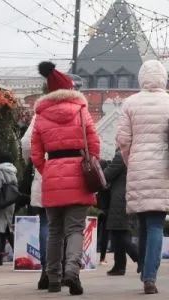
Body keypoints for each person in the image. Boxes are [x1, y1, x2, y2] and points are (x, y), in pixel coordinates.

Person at [31, 61, 100, 295]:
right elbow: (94, 144)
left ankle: (52, 278)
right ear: (71, 89)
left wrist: (47, 170)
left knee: (54, 231)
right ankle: (72, 271)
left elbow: (35, 154)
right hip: (79, 175)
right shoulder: (81, 111)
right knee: (75, 229)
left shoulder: (40, 116)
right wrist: (90, 164)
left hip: (52, 173)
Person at [118, 59, 169, 294]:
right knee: (156, 224)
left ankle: (145, 271)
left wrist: (131, 161)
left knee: (143, 223)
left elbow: (123, 140)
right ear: (163, 78)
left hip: (138, 167)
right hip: (165, 168)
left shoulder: (130, 103)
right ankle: (150, 276)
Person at [21, 116, 49, 289]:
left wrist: (33, 163)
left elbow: (26, 142)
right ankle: (69, 269)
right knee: (71, 227)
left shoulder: (41, 113)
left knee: (46, 223)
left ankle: (48, 270)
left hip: (45, 174)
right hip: (72, 175)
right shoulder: (80, 111)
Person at [103, 148, 139, 276]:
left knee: (120, 234)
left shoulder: (121, 156)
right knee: (118, 232)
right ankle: (119, 266)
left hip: (119, 198)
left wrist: (102, 166)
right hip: (128, 196)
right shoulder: (133, 154)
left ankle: (139, 258)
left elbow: (107, 174)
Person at [0, 153, 17, 266]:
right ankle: (18, 252)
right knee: (8, 229)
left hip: (0, 203)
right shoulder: (12, 170)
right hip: (10, 203)